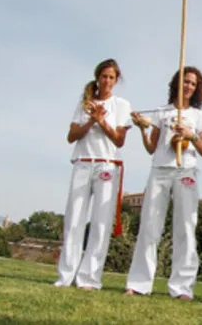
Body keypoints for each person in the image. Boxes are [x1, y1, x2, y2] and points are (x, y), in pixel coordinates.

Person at [125, 67, 202, 300]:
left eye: (193, 83)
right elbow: (152, 147)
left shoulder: (198, 116)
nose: (189, 86)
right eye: (186, 81)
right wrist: (143, 130)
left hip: (186, 171)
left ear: (197, 89)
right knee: (149, 226)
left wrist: (190, 134)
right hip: (160, 170)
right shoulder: (162, 112)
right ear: (177, 83)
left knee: (185, 228)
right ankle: (139, 283)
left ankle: (182, 287)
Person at [54, 58, 132, 290]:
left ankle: (89, 278)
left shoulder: (121, 105)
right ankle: (65, 276)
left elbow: (119, 139)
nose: (107, 81)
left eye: (111, 77)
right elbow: (71, 136)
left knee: (100, 224)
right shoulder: (85, 104)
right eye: (104, 76)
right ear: (97, 77)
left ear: (116, 81)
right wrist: (91, 120)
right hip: (83, 162)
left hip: (107, 164)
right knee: (74, 220)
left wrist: (103, 121)